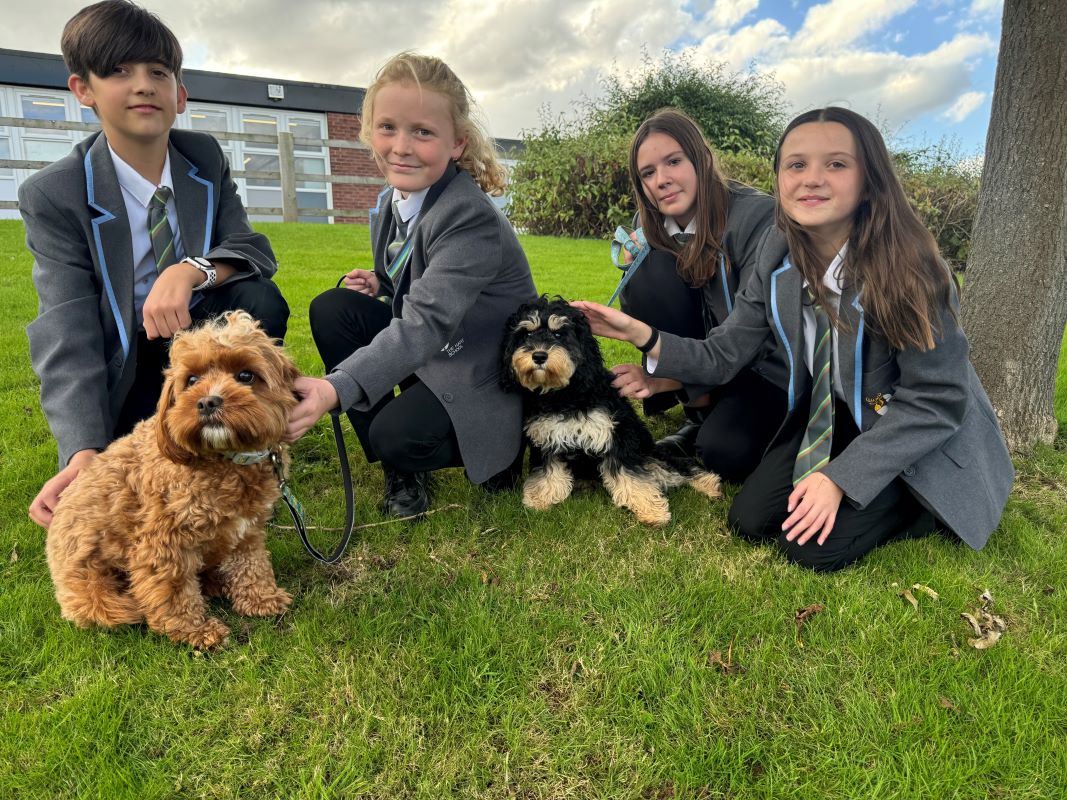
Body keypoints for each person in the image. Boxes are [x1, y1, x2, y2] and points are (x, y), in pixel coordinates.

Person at [575, 107, 1014, 572]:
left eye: (837, 164)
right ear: (780, 178)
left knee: (811, 549)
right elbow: (725, 352)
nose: (812, 179)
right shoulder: (778, 251)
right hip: (837, 413)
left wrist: (843, 479)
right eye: (797, 165)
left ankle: (919, 499)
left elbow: (937, 399)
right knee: (750, 521)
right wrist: (639, 334)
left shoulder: (913, 271)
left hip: (906, 425)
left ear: (870, 178)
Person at [22, 0, 288, 529]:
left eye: (158, 72)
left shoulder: (202, 159)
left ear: (180, 95)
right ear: (83, 90)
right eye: (119, 71)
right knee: (141, 467)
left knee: (259, 299)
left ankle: (246, 433)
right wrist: (82, 450)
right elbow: (66, 329)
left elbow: (253, 250)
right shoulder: (55, 193)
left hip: (198, 336)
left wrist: (188, 270)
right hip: (130, 358)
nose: (143, 85)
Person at [286, 53, 537, 517]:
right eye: (388, 128)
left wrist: (333, 388)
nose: (401, 146)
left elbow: (426, 323)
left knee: (394, 434)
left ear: (457, 143)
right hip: (439, 345)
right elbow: (417, 272)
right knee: (332, 308)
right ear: (369, 132)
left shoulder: (469, 215)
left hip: (478, 364)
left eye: (422, 132)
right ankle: (400, 471)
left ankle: (504, 442)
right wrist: (381, 284)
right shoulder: (392, 200)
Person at [615, 108, 787, 482]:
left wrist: (670, 378)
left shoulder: (758, 219)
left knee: (724, 454)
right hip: (707, 359)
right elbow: (646, 307)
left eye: (673, 161)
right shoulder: (646, 226)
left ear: (702, 159)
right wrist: (631, 273)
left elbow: (755, 337)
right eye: (648, 173)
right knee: (648, 269)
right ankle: (700, 409)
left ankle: (728, 413)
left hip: (760, 363)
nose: (662, 180)